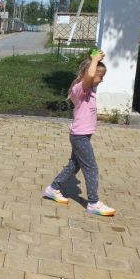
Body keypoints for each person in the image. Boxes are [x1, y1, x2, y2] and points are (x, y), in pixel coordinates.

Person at [42, 50, 116, 216]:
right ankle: (93, 202)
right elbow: (89, 76)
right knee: (91, 168)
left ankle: (53, 188)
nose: (102, 79)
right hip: (79, 136)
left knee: (74, 165)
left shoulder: (89, 89)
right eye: (100, 76)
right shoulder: (79, 89)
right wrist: (95, 60)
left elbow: (90, 77)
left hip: (83, 135)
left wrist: (93, 61)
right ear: (87, 74)